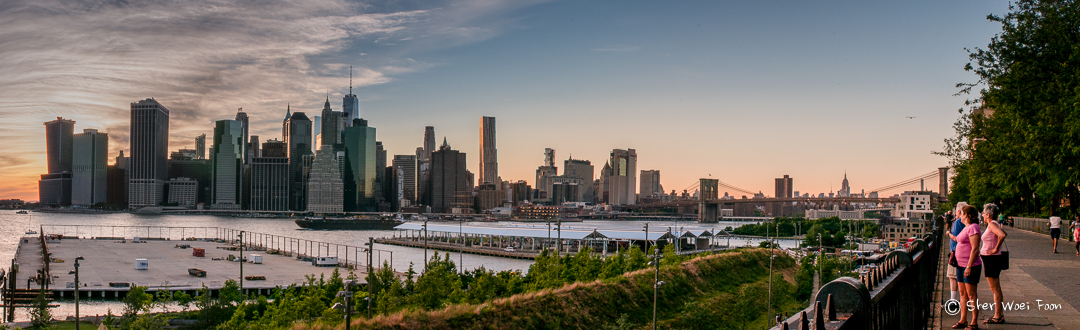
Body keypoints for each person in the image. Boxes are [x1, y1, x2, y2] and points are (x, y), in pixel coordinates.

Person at [948, 204, 982, 329]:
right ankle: (963, 319)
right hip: (960, 264)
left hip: (970, 266)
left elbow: (974, 249)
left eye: (961, 213)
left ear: (966, 215)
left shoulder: (973, 227)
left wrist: (969, 266)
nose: (959, 215)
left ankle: (974, 321)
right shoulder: (966, 227)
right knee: (962, 293)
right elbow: (958, 239)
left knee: (971, 294)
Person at [981, 204, 1007, 324]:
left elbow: (1001, 235)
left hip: (991, 259)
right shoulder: (994, 224)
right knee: (996, 288)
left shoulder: (992, 224)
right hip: (991, 259)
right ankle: (999, 314)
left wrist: (995, 248)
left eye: (983, 213)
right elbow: (1003, 233)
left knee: (994, 288)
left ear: (988, 215)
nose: (982, 215)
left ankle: (997, 315)